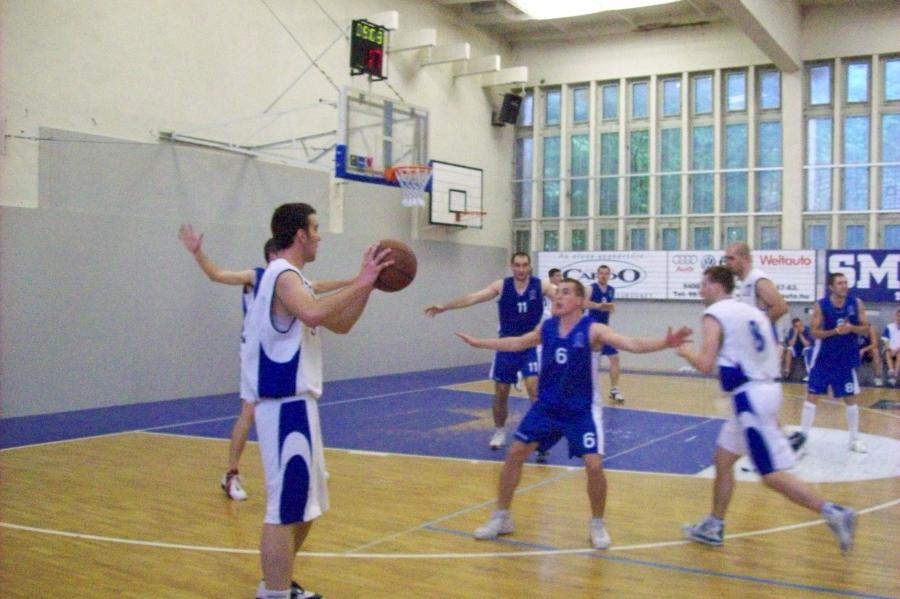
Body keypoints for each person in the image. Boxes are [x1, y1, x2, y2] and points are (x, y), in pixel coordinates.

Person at [457, 278, 691, 549]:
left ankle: (597, 524)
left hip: (581, 410)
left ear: (580, 301)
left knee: (594, 465)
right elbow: (518, 342)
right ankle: (502, 517)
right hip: (547, 407)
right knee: (515, 454)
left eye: (565, 293)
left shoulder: (593, 329)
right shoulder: (547, 327)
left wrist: (665, 342)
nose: (558, 296)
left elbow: (631, 343)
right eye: (557, 292)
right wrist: (480, 343)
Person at [241, 203, 390, 599]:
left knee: (306, 505)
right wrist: (361, 280)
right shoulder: (282, 273)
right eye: (316, 228)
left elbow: (341, 323)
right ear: (300, 234)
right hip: (283, 404)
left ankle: (276, 582)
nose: (320, 236)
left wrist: (368, 287)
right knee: (285, 506)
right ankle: (274, 593)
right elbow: (311, 314)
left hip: (299, 405)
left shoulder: (297, 280)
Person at [676, 266, 857, 554]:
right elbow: (771, 350)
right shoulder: (752, 312)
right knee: (723, 459)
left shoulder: (714, 314)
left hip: (750, 398)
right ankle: (714, 525)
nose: (700, 290)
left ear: (716, 286)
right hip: (765, 390)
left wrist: (685, 351)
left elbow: (706, 364)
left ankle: (834, 511)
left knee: (769, 474)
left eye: (703, 284)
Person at [179, 224, 351, 502]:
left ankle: (311, 463)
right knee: (248, 413)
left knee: (301, 403)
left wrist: (358, 281)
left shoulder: (293, 280)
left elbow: (319, 285)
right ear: (273, 255)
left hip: (279, 355)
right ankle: (231, 474)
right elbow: (217, 275)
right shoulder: (258, 276)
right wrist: (198, 252)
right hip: (256, 355)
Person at [424, 252, 556, 451]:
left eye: (524, 265)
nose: (521, 269)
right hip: (505, 346)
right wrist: (445, 306)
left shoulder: (542, 285)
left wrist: (584, 311)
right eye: (517, 265)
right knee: (501, 392)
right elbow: (473, 297)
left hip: (530, 345)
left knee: (534, 391)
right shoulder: (502, 286)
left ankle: (539, 436)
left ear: (529, 267)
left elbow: (564, 298)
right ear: (512, 266)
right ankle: (500, 431)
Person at [796, 273, 871, 454]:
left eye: (845, 282)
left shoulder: (856, 303)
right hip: (823, 359)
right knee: (812, 397)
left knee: (850, 398)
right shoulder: (821, 305)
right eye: (840, 283)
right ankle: (802, 441)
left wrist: (851, 328)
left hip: (845, 360)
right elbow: (814, 333)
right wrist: (835, 331)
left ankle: (854, 439)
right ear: (831, 287)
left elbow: (866, 329)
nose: (844, 286)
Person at [583, 265, 624, 403]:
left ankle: (614, 390)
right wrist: (599, 306)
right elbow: (583, 304)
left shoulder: (611, 290)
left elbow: (609, 308)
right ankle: (584, 389)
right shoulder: (590, 288)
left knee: (615, 358)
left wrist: (610, 308)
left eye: (606, 274)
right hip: (592, 331)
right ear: (597, 274)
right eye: (601, 273)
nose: (604, 276)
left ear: (609, 275)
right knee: (590, 364)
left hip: (605, 332)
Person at [723, 242, 789, 326]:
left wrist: (757, 328)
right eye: (726, 259)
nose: (727, 263)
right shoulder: (745, 282)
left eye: (731, 258)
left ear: (744, 258)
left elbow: (781, 307)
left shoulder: (758, 279)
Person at [883, 309, 900, 386]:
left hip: (898, 350)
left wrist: (897, 350)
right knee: (887, 352)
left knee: (899, 354)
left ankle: (895, 376)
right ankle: (891, 371)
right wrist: (889, 348)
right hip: (890, 348)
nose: (899, 318)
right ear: (895, 316)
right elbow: (885, 339)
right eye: (898, 316)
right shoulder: (889, 327)